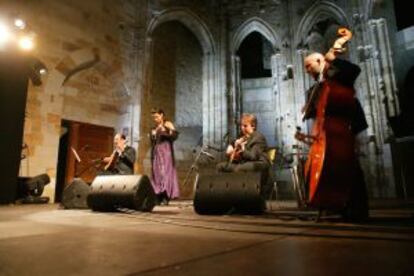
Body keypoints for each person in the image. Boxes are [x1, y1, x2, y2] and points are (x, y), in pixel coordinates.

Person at [301, 28, 369, 221]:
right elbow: (317, 111)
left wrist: (334, 59)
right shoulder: (314, 88)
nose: (306, 70)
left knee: (352, 167)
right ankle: (338, 205)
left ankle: (358, 210)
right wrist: (307, 109)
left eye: (308, 66)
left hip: (348, 124)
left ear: (319, 61)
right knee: (336, 168)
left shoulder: (333, 71)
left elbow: (354, 71)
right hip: (330, 131)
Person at [217, 113, 271, 197]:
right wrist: (230, 149)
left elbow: (253, 156)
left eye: (245, 126)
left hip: (259, 164)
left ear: (253, 126)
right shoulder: (243, 137)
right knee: (221, 167)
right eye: (241, 126)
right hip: (244, 163)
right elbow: (233, 146)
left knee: (240, 168)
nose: (242, 128)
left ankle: (238, 195)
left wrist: (242, 150)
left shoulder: (258, 137)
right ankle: (223, 196)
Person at [150, 108, 179, 205]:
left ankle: (165, 197)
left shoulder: (167, 124)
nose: (155, 119)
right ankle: (158, 196)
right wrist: (153, 134)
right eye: (154, 117)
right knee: (157, 174)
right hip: (157, 152)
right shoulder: (154, 128)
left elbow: (174, 136)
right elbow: (152, 141)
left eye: (157, 117)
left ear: (162, 115)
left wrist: (168, 130)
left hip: (166, 151)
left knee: (165, 173)